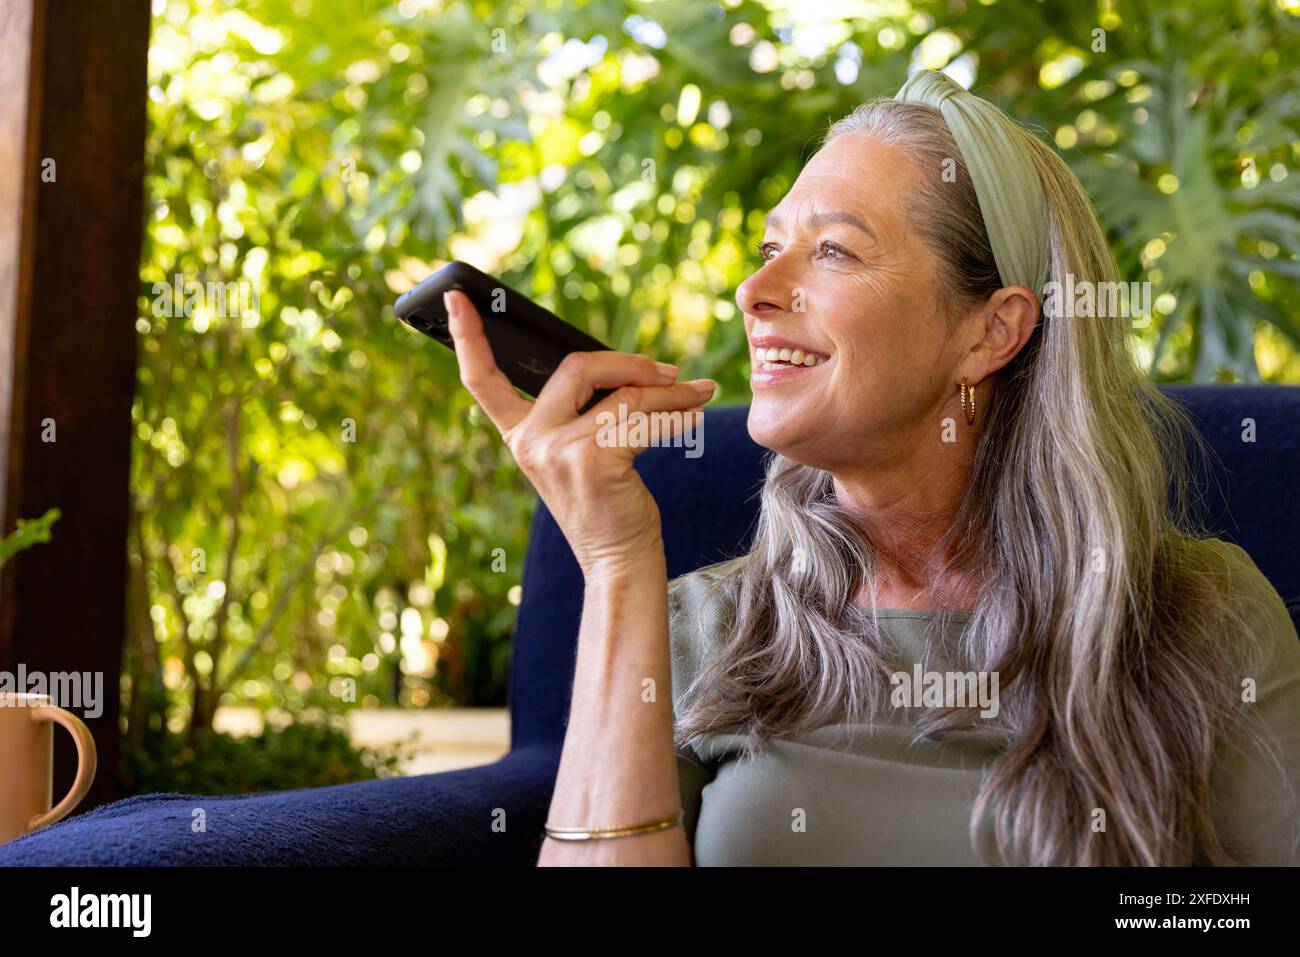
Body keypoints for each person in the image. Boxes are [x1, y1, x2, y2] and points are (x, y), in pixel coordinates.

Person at [447, 70, 1300, 866]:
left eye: (834, 252)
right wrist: (614, 563)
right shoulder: (702, 627)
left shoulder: (1199, 621)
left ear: (990, 332)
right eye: (772, 245)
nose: (754, 288)